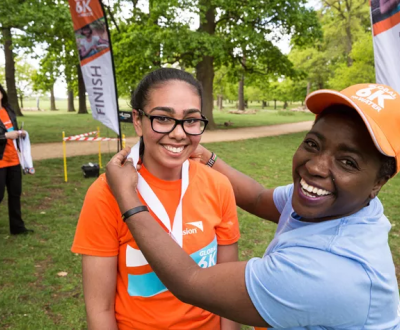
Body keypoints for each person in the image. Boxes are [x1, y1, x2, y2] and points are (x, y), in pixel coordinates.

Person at [106, 83, 400, 329]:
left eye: (348, 162)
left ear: (379, 182)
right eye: (313, 144)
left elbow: (189, 281)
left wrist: (128, 198)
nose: (316, 168)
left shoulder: (330, 274)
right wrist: (209, 159)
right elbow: (259, 198)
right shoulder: (342, 204)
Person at [72, 68, 241, 329]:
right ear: (138, 121)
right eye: (163, 118)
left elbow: (229, 293)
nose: (179, 133)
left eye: (191, 120)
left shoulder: (218, 186)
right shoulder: (106, 193)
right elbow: (100, 309)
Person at [0, 84, 33, 235]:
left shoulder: (8, 109)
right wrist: (5, 136)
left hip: (14, 160)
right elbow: (6, 134)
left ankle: (17, 228)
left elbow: (13, 128)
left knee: (15, 194)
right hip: (0, 162)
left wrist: (21, 133)